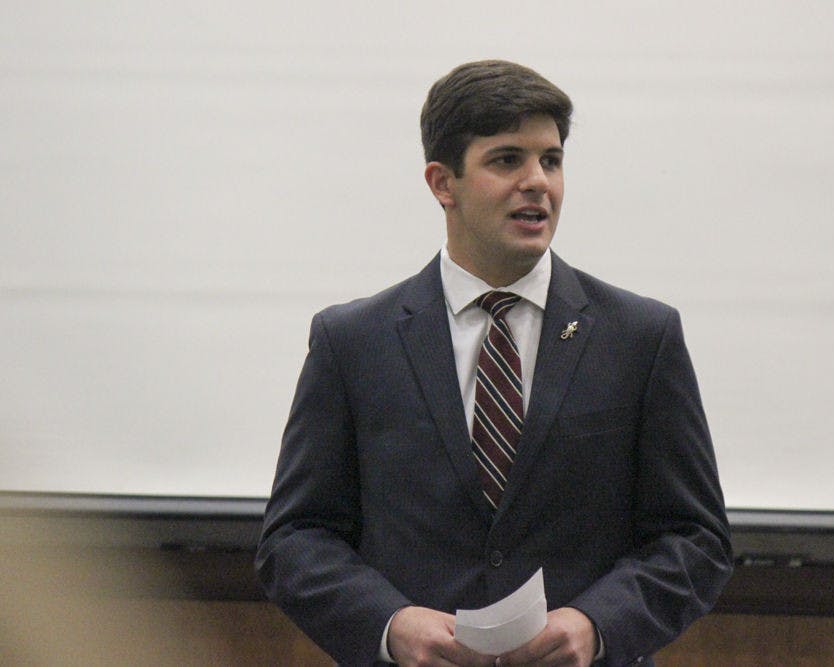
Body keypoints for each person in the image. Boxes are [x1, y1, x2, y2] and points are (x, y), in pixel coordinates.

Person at [256, 60, 732, 667]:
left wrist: (596, 625)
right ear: (442, 183)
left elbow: (695, 539)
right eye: (507, 160)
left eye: (551, 161)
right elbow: (295, 539)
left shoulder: (640, 337)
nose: (538, 182)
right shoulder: (353, 341)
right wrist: (391, 625)